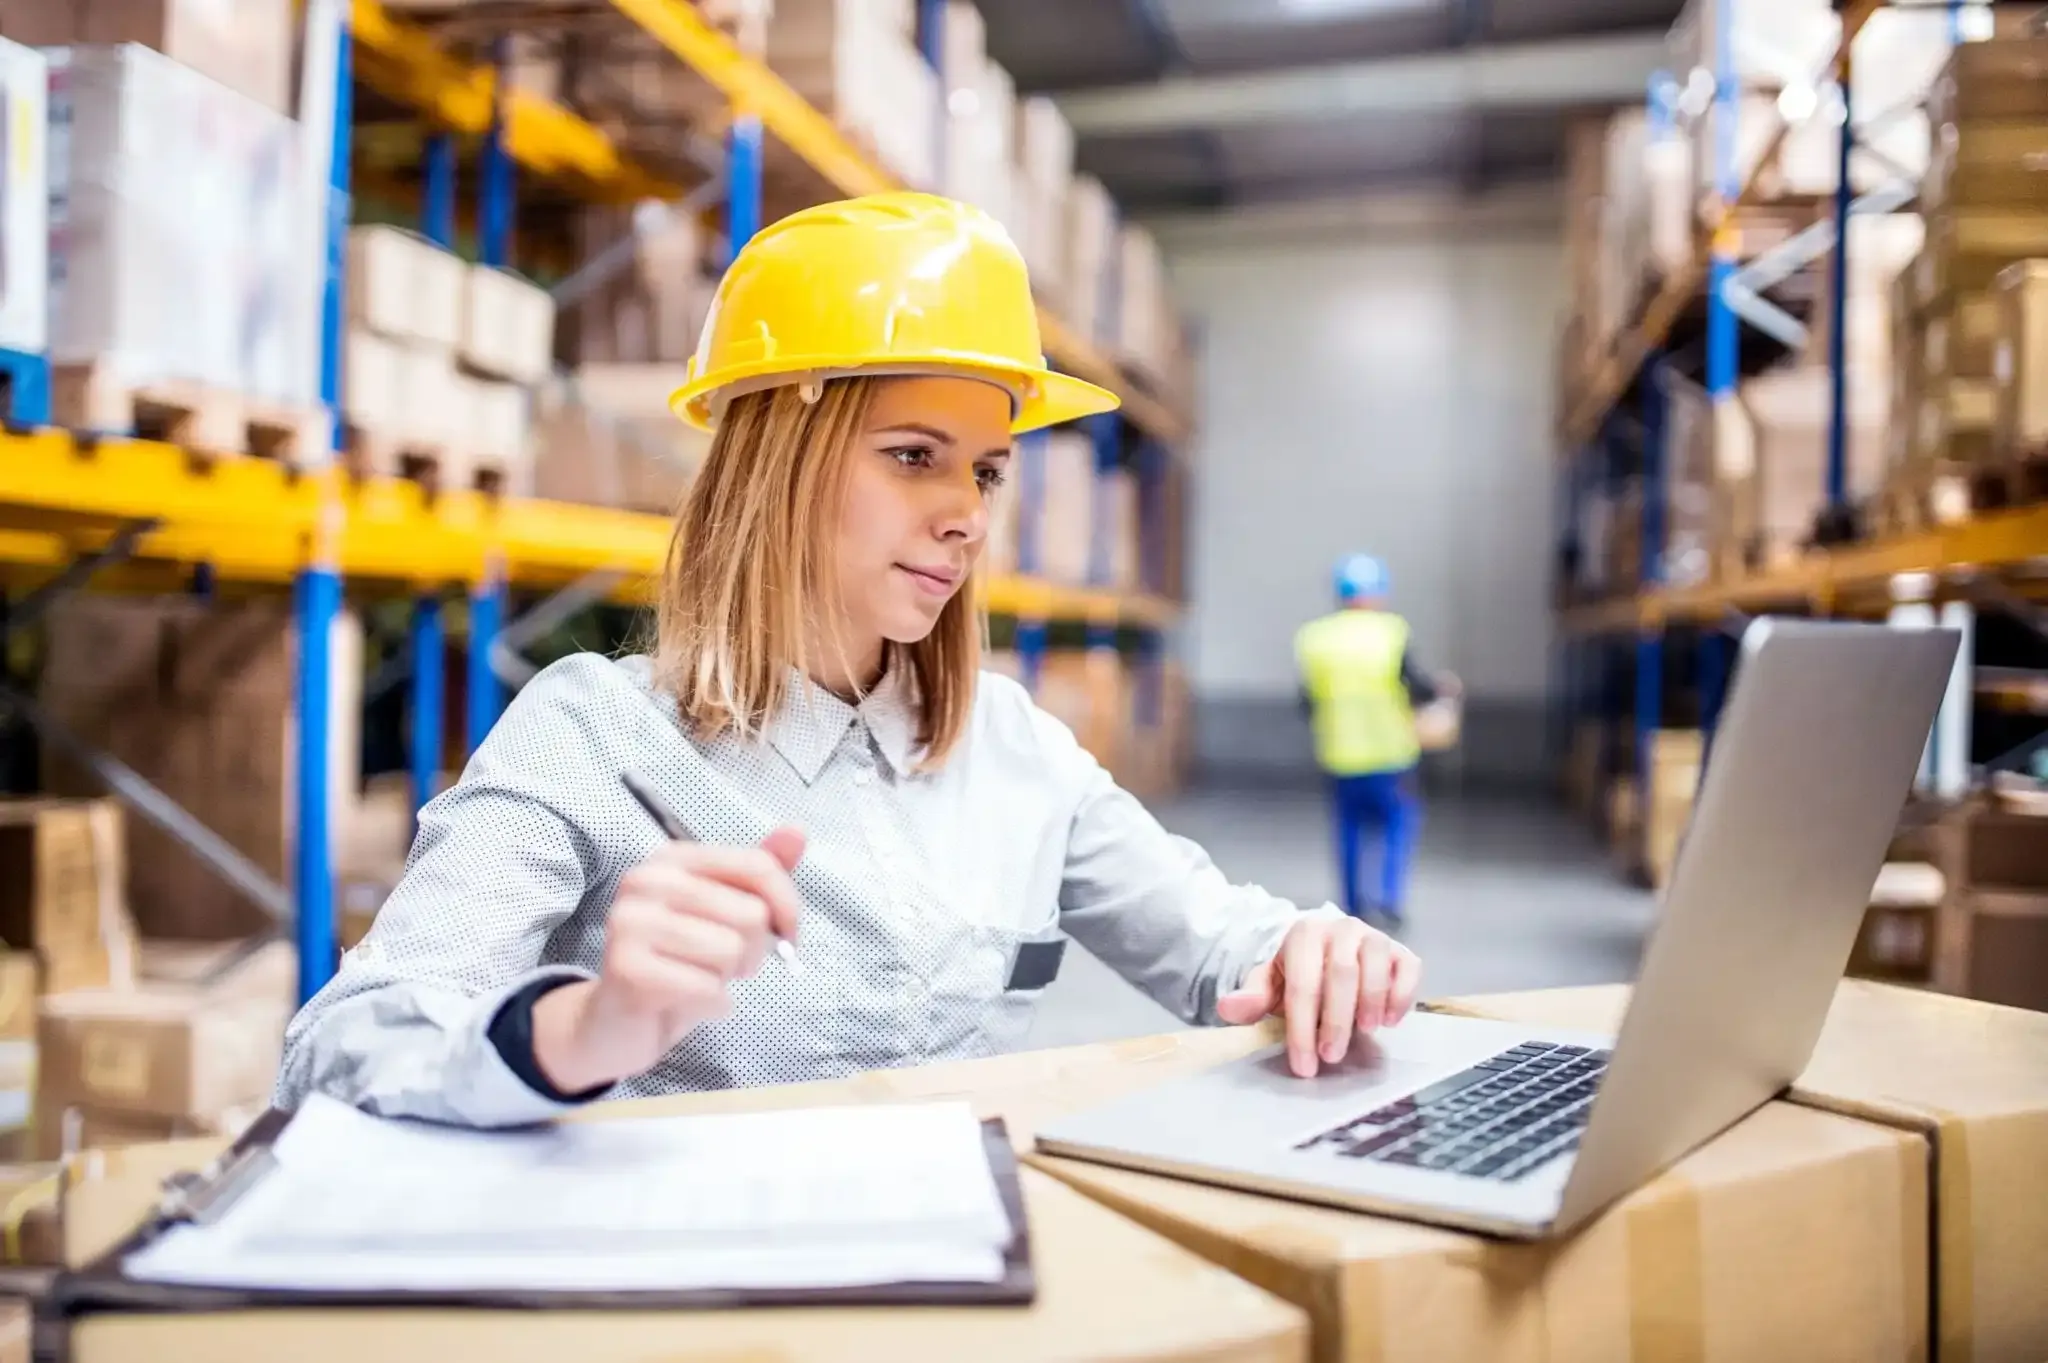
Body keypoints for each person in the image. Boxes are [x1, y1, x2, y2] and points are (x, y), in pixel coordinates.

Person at [276, 193, 1422, 1127]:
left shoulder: (1012, 750)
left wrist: (1311, 950)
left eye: (982, 470)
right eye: (914, 455)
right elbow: (338, 1048)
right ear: (781, 458)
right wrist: (576, 1029)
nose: (966, 516)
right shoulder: (593, 739)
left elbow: (1223, 943)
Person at [1294, 554, 1459, 928]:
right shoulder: (1391, 632)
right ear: (1380, 592)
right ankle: (1388, 901)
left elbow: (1306, 701)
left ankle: (1352, 905)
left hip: (1339, 755)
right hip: (1390, 755)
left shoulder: (1315, 638)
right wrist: (1443, 689)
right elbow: (1417, 687)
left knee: (1348, 829)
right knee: (1396, 826)